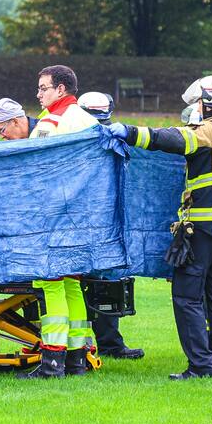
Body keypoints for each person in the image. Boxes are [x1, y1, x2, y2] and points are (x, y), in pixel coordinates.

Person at [107, 74, 212, 380]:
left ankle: (200, 366)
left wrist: (127, 132)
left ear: (208, 104)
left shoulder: (207, 133)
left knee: (187, 297)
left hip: (204, 229)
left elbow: (165, 138)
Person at [22, 65, 100, 379]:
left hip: (53, 215)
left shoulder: (50, 122)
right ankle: (76, 360)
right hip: (83, 217)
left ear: (61, 90)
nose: (38, 94)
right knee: (72, 285)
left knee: (51, 284)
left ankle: (52, 363)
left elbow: (34, 168)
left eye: (43, 88)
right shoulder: (89, 120)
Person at [77, 91, 144, 362]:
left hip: (103, 223)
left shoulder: (111, 137)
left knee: (104, 282)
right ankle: (94, 345)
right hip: (86, 223)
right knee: (91, 283)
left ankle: (108, 344)